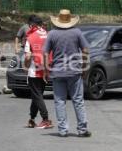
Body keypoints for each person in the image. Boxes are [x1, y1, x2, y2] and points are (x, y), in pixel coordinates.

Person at [43, 9, 91, 137]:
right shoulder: (77, 32)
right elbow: (86, 50)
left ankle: (63, 130)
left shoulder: (52, 34)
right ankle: (82, 130)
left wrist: (46, 69)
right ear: (70, 20)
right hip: (74, 72)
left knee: (59, 101)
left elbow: (45, 53)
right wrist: (84, 67)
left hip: (57, 73)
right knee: (78, 100)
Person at [24, 17, 53, 129]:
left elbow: (27, 56)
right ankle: (32, 119)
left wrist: (25, 66)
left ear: (32, 25)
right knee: (37, 95)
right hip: (46, 68)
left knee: (37, 95)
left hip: (34, 70)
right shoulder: (47, 34)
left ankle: (45, 119)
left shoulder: (31, 37)